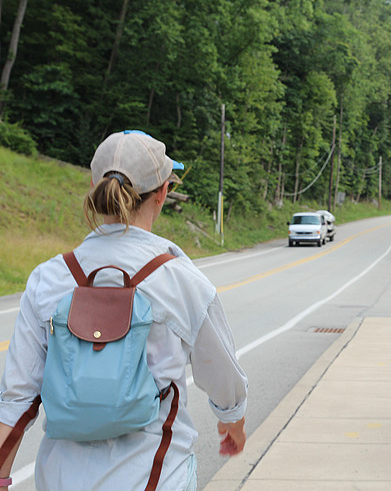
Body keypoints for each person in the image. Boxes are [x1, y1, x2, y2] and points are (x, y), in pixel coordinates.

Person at [0, 129, 248, 490]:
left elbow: (17, 400)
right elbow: (223, 377)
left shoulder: (48, 278)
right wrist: (232, 421)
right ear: (163, 193)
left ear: (93, 185)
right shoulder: (181, 281)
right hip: (155, 476)